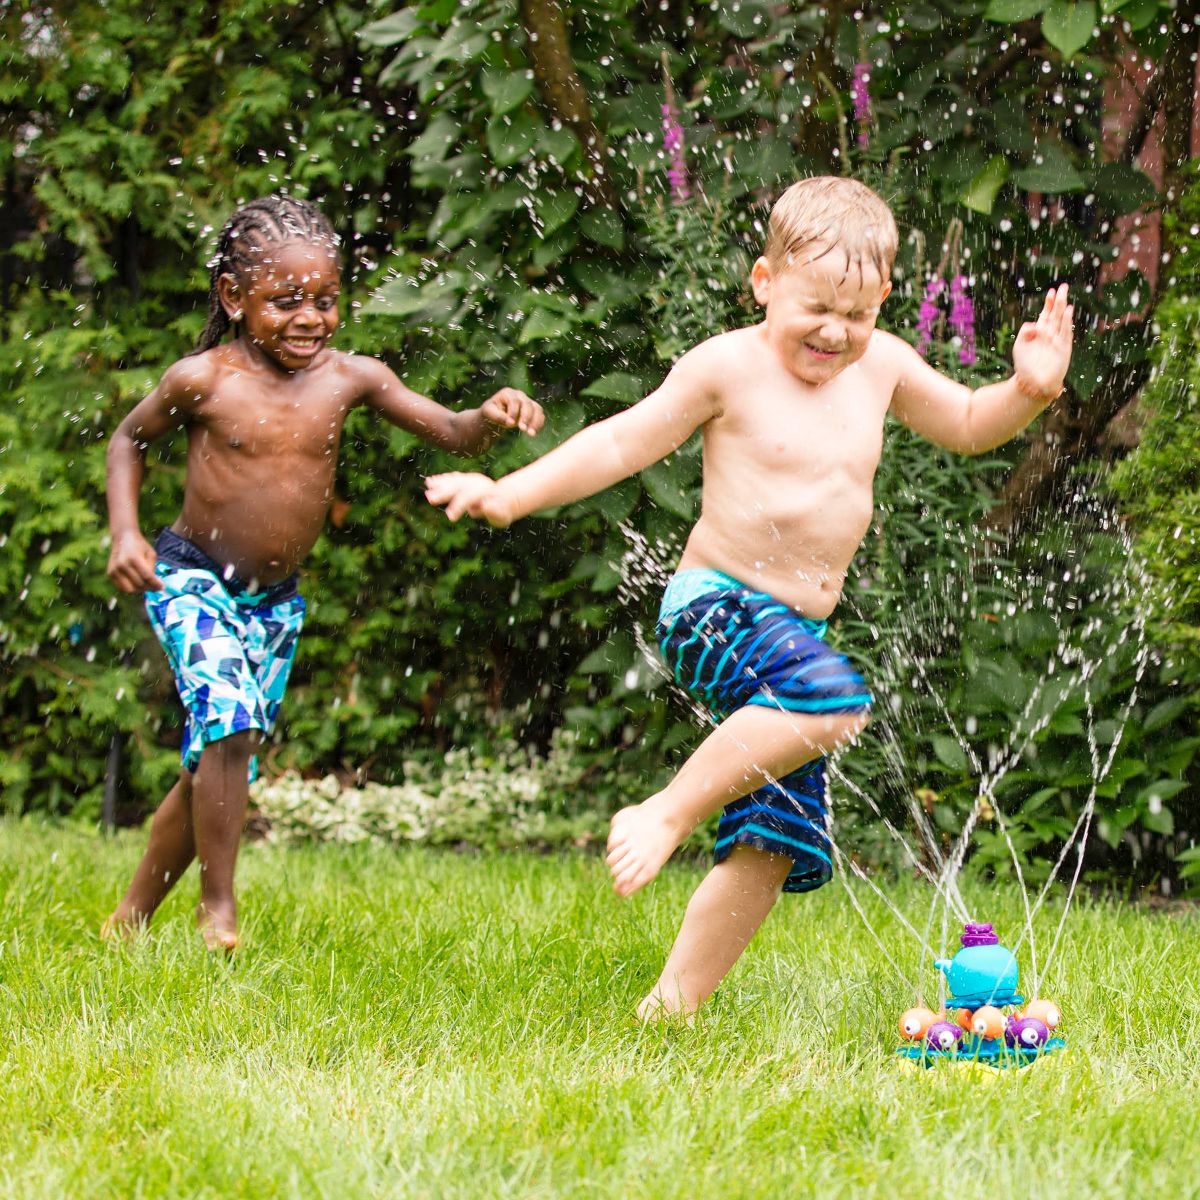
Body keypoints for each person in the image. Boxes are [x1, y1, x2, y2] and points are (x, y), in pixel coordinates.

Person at [425, 176, 1073, 1019]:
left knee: (774, 839)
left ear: (883, 298)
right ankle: (665, 814)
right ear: (765, 283)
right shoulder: (727, 366)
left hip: (790, 636)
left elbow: (967, 424)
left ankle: (671, 1008)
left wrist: (1028, 390)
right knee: (836, 701)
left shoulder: (883, 366)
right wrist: (512, 494)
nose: (835, 333)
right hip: (714, 606)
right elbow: (621, 440)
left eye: (858, 313)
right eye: (813, 309)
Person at [102, 194, 543, 951]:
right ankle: (218, 910)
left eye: (326, 300)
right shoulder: (201, 379)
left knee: (213, 754)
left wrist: (489, 417)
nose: (310, 317)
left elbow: (450, 432)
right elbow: (127, 441)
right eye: (286, 301)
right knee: (231, 728)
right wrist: (125, 533)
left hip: (273, 601)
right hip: (191, 578)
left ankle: (130, 918)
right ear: (234, 299)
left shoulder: (351, 378)